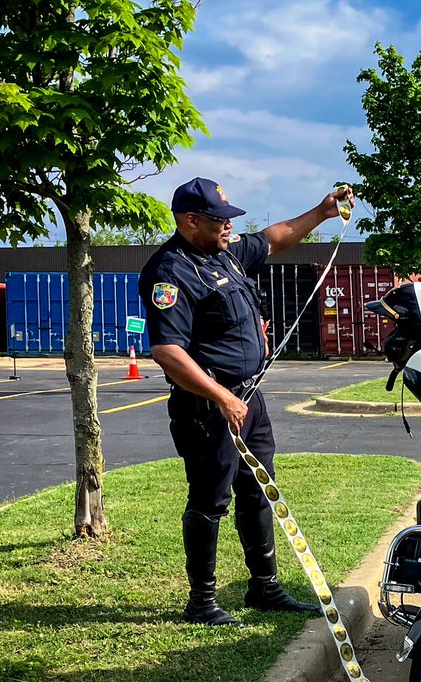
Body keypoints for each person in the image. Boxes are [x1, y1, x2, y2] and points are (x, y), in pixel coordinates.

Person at [139, 177, 354, 626]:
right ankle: (202, 601)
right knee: (210, 497)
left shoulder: (227, 253)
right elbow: (168, 352)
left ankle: (265, 587)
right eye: (218, 220)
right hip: (209, 407)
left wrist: (322, 211)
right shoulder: (169, 272)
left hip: (249, 398)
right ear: (189, 220)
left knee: (258, 490)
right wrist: (220, 396)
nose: (227, 226)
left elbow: (274, 238)